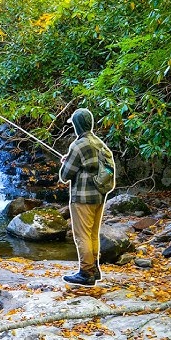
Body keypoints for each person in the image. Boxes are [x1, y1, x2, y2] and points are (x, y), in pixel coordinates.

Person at [59, 108, 113, 286]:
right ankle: (95, 269)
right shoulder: (99, 143)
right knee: (92, 234)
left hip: (82, 197)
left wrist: (66, 162)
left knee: (81, 235)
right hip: (99, 195)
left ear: (77, 125)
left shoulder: (78, 145)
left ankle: (85, 273)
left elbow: (65, 175)